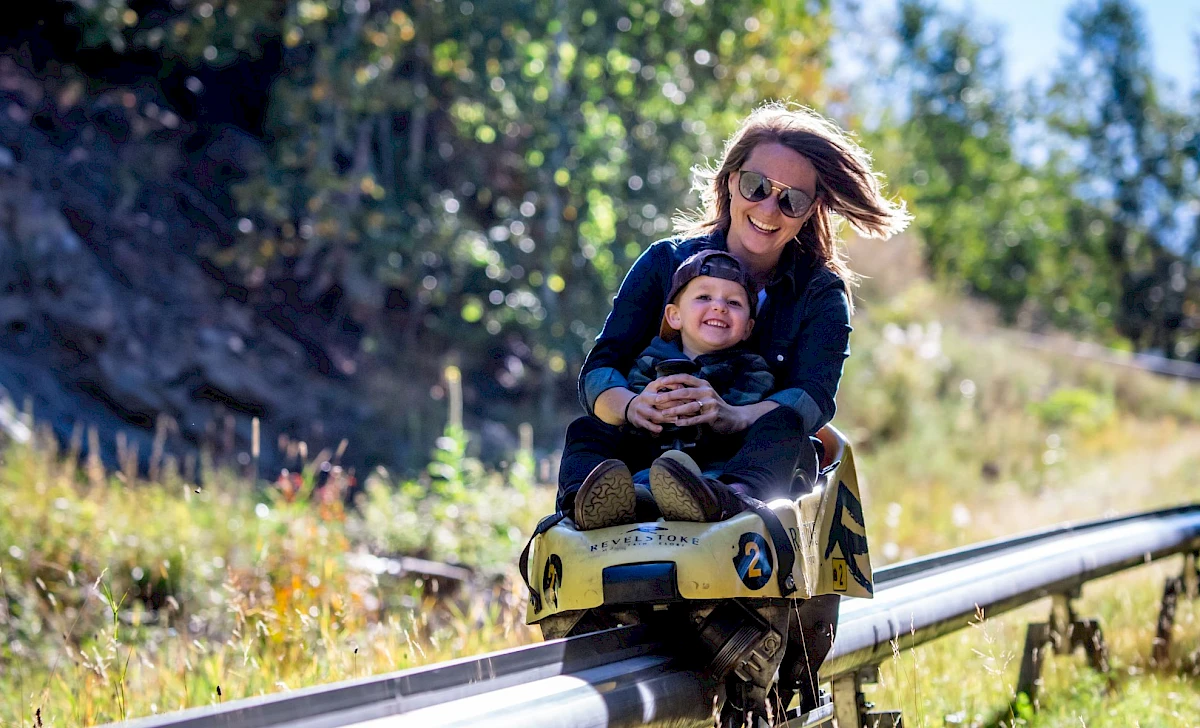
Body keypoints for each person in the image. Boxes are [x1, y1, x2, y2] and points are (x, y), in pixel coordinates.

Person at [556, 101, 910, 713]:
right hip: (650, 443)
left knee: (792, 437)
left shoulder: (820, 292)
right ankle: (592, 507)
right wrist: (635, 406)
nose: (769, 210)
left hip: (745, 454)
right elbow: (600, 367)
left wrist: (729, 414)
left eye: (791, 201)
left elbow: (812, 399)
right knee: (588, 429)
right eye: (757, 187)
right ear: (730, 182)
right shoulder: (666, 262)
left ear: (810, 212)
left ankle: (721, 509)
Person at [573, 249, 777, 530]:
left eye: (733, 302)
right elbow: (633, 407)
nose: (719, 307)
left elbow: (748, 410)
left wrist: (719, 413)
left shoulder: (752, 369)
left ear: (747, 329)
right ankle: (583, 502)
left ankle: (727, 499)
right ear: (674, 316)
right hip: (646, 465)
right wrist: (640, 407)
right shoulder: (649, 361)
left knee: (780, 425)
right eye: (704, 297)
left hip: (717, 473)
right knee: (586, 429)